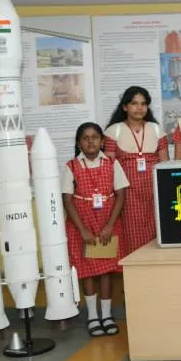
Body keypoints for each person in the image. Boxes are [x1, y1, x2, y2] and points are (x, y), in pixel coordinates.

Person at [62, 123, 129, 337]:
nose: (90, 141)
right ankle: (92, 316)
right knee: (87, 271)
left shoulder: (112, 163)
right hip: (82, 225)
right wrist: (82, 229)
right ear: (78, 142)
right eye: (85, 138)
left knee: (105, 270)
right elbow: (67, 200)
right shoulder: (71, 166)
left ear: (102, 141)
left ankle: (107, 316)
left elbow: (121, 195)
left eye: (94, 137)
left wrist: (109, 225)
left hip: (107, 224)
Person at [103, 86, 169, 255]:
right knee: (132, 238)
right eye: (134, 103)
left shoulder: (156, 130)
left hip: (154, 193)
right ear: (125, 107)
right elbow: (108, 169)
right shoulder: (114, 131)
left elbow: (165, 165)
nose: (139, 108)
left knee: (157, 237)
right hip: (127, 195)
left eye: (143, 104)